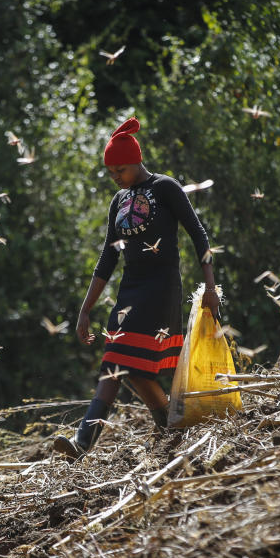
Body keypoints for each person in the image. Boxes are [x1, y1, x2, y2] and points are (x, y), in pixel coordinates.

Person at [53, 117, 220, 459]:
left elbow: (198, 234)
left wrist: (211, 288)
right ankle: (172, 424)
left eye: (121, 169)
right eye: (111, 171)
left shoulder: (165, 188)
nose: (115, 176)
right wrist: (85, 310)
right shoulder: (119, 200)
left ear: (137, 161)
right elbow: (106, 259)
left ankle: (83, 441)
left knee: (117, 359)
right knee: (135, 369)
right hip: (130, 291)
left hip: (160, 288)